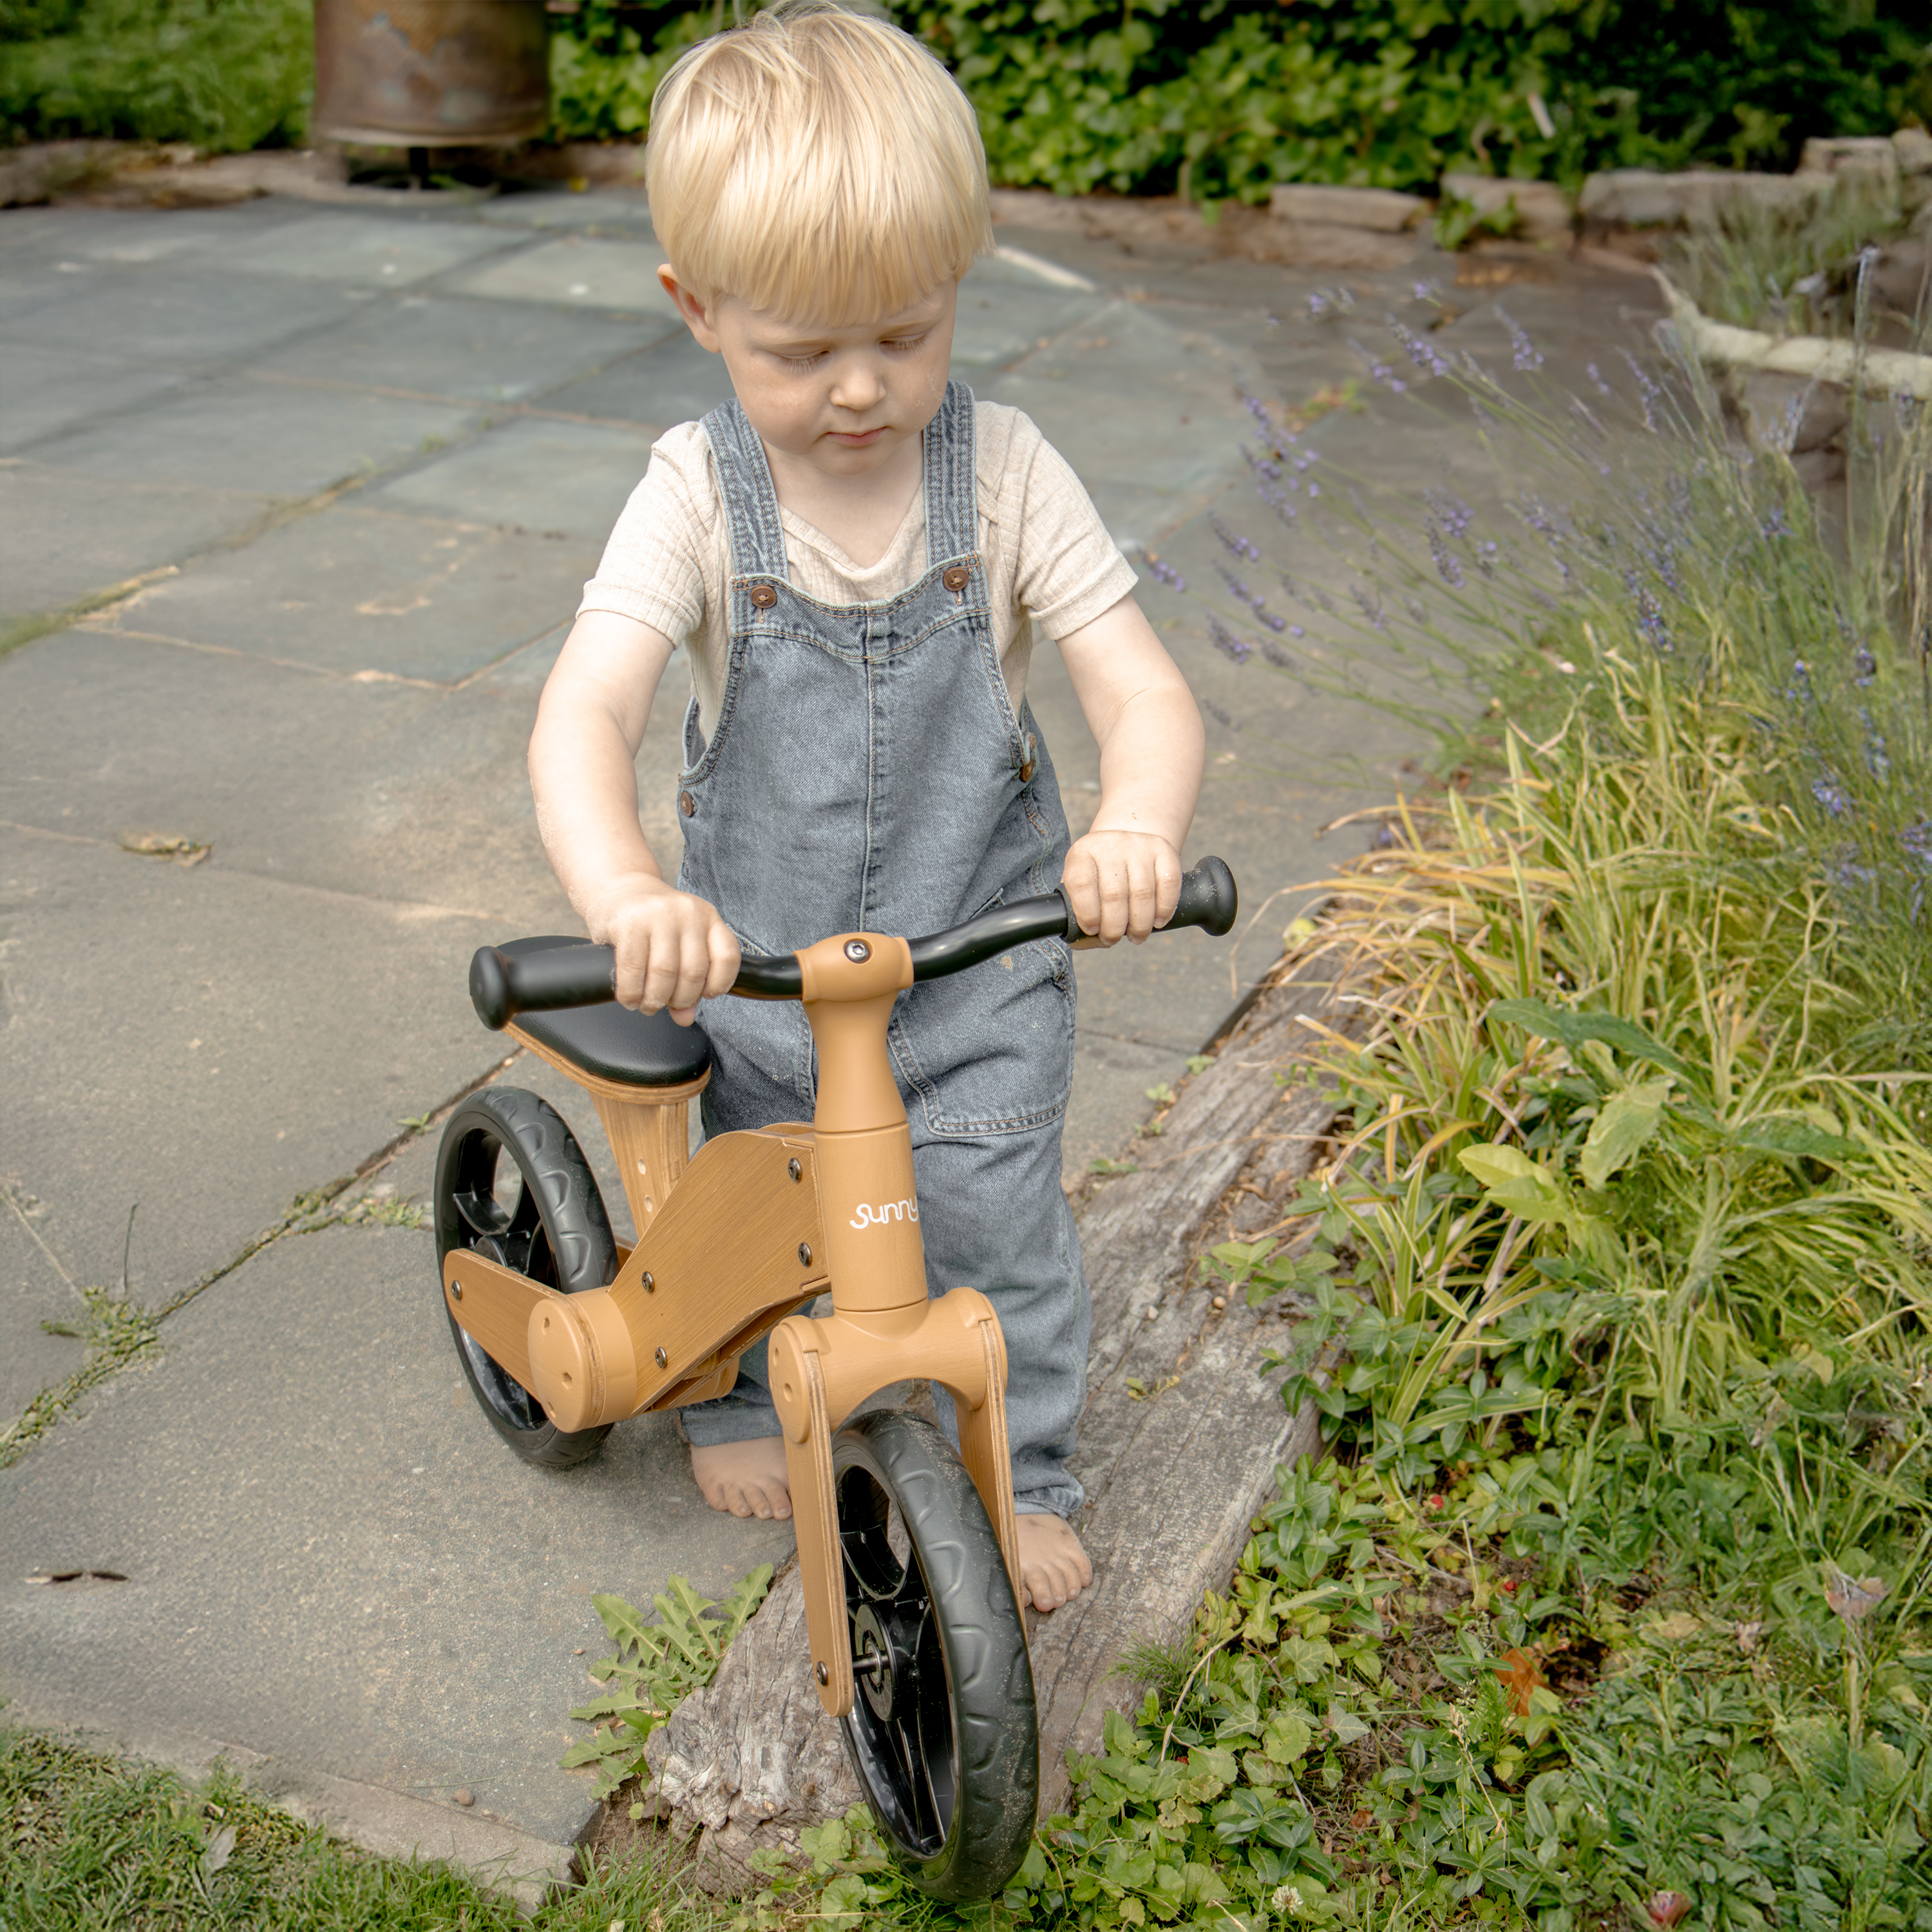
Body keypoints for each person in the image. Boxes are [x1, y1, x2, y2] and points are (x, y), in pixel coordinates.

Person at [526, 0, 1204, 1614]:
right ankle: (732, 1394)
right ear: (697, 310)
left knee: (993, 1217)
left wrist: (1137, 827)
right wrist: (630, 895)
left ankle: (1019, 1470)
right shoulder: (698, 493)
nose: (858, 388)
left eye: (906, 335)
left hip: (974, 965)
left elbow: (1144, 691)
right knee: (758, 1209)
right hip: (764, 973)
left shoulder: (1006, 471)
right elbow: (586, 710)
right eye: (800, 352)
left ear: (958, 283)